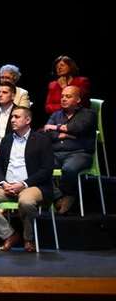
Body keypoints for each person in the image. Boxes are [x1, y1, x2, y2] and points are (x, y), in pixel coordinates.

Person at [0, 106, 53, 253]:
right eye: (12, 117)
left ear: (28, 120)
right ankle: (9, 234)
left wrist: (23, 184)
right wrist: (3, 183)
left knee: (26, 202)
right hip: (7, 185)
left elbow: (46, 170)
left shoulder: (42, 140)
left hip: (31, 185)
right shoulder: (7, 139)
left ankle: (28, 238)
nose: (12, 120)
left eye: (17, 117)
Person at [42, 86, 97, 215]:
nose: (63, 99)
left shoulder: (88, 114)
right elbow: (46, 133)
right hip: (56, 153)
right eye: (62, 96)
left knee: (69, 169)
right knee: (39, 165)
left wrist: (56, 128)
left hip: (79, 153)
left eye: (68, 96)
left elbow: (77, 128)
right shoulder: (56, 115)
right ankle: (59, 196)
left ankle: (69, 194)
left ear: (78, 99)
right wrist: (65, 134)